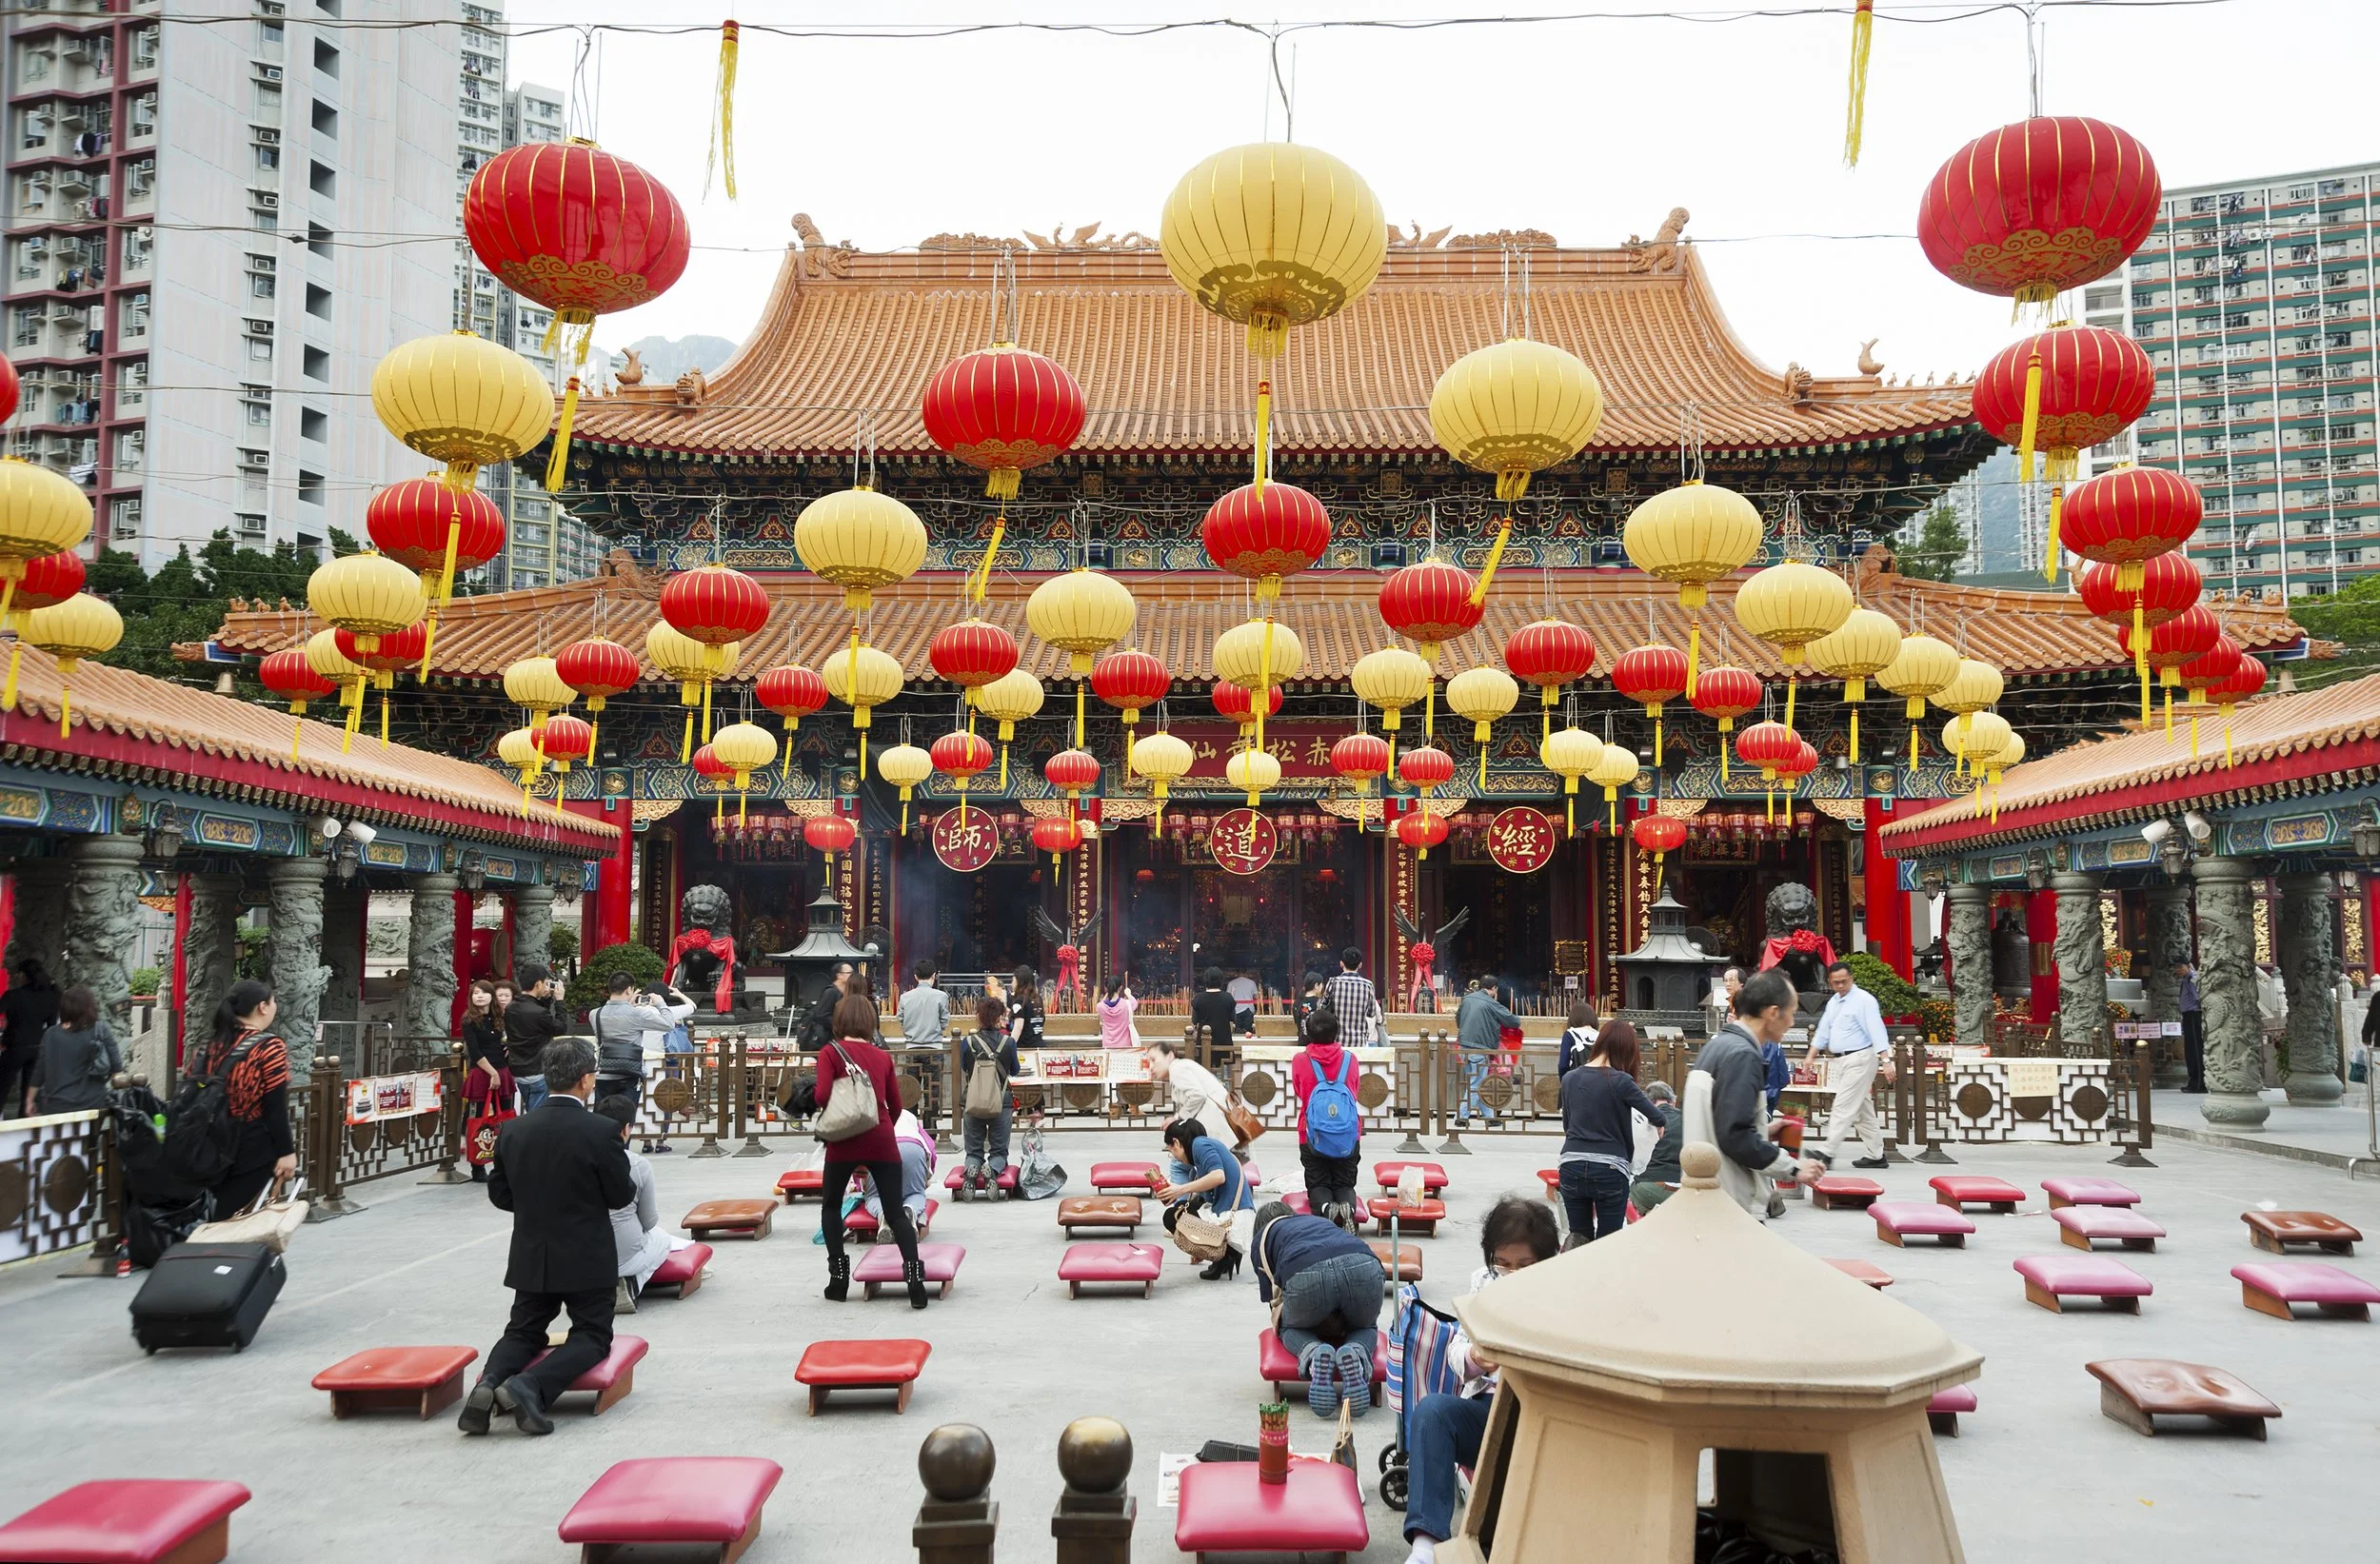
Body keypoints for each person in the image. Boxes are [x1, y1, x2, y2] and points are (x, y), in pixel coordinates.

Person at [459, 1039, 636, 1436]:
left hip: (531, 1250)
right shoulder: (602, 1131)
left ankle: (488, 1384)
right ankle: (529, 1385)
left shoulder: (514, 1130)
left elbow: (500, 1194)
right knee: (592, 1335)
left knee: (523, 1330)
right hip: (586, 1253)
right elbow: (621, 1195)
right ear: (586, 1080)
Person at [1399, 1198, 1559, 1564]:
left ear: (1546, 1260)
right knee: (1432, 1412)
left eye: (1524, 1265)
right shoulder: (1482, 1283)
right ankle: (1426, 1547)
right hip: (1490, 1411)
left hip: (1545, 1417)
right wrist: (1474, 1358)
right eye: (1502, 1264)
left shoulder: (1561, 1291)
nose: (1510, 1273)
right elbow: (1457, 1351)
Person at [815, 994, 930, 1309]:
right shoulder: (882, 1058)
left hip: (842, 1142)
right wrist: (878, 1128)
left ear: (838, 1022)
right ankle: (915, 1280)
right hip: (881, 1138)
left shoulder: (830, 1053)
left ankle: (838, 1280)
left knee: (831, 1206)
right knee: (895, 1212)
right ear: (870, 1022)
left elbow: (822, 1095)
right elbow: (895, 1106)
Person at [1695, 970, 1822, 1218]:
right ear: (1773, 1013)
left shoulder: (1719, 1045)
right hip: (1732, 1195)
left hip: (1710, 1186)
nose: (1793, 1022)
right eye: (1792, 1013)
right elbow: (1735, 1136)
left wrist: (1764, 1128)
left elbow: (1720, 1120)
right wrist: (1794, 1168)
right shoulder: (1743, 1055)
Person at [1251, 1201, 1385, 1416]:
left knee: (1287, 1328)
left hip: (1305, 1270)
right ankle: (1356, 1354)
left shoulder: (1263, 1239)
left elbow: (1273, 1301)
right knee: (1366, 1326)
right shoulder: (1316, 1220)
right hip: (1364, 1262)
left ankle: (1314, 1355)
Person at [186, 980, 296, 1218]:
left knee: (214, 1215)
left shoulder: (209, 1046)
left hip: (204, 1146)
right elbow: (274, 1107)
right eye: (273, 1001)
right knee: (238, 1221)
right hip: (249, 1149)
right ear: (263, 1007)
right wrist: (287, 1152)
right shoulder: (269, 1047)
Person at [1555, 1019, 1662, 1245]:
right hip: (1610, 1168)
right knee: (1608, 1244)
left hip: (1571, 1163)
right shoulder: (1621, 1081)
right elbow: (1658, 1116)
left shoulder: (1569, 1079)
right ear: (1627, 1050)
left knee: (1579, 1239)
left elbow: (1568, 1126)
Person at [1805, 960, 1893, 1171]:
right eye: (1836, 982)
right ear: (1830, 982)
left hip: (1861, 1058)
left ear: (1852, 979)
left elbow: (1876, 1029)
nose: (1840, 985)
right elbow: (1823, 1030)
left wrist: (1886, 1060)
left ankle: (1827, 1151)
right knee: (1862, 1109)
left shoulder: (1864, 1000)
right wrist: (1810, 1056)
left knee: (1843, 1105)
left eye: (1844, 981)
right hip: (1842, 1060)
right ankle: (1876, 1154)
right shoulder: (1834, 1002)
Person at [590, 1093, 667, 1310]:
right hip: (623, 1255)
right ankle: (631, 1283)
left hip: (581, 1253)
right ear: (626, 1129)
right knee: (662, 1239)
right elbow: (649, 1221)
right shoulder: (636, 1164)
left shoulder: (577, 1158)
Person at [1157, 1116, 1253, 1279]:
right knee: (1186, 1209)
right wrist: (1200, 1243)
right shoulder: (1201, 1149)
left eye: (1171, 1150)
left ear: (1177, 1143)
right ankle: (1226, 1255)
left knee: (1172, 1217)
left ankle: (1225, 1255)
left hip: (1234, 1218)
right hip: (1234, 1212)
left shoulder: (1200, 1144)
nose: (1174, 1157)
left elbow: (1218, 1176)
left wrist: (1180, 1190)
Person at [1291, 1009, 1362, 1227]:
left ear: (1309, 1033)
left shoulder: (1300, 1060)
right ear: (1336, 1032)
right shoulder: (1351, 1060)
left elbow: (1299, 1091)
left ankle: (1325, 1208)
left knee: (1318, 1183)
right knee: (1344, 1183)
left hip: (1312, 1134)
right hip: (1347, 1134)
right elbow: (1354, 1091)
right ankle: (1347, 1209)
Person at [591, 972, 688, 1115]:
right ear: (629, 989)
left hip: (604, 1072)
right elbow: (668, 1024)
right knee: (626, 1118)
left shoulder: (595, 1014)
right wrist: (660, 1003)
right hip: (629, 1072)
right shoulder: (637, 1014)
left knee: (601, 1116)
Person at [957, 995, 1018, 1199]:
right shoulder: (1008, 1043)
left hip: (973, 1102)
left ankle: (972, 1169)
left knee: (973, 1150)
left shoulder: (968, 1042)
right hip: (1002, 1102)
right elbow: (1015, 1070)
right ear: (999, 1017)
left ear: (979, 1017)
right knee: (999, 1150)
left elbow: (965, 1068)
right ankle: (991, 1170)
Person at [1145, 1035, 1236, 1168]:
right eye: (1149, 1063)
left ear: (1169, 1056)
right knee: (1181, 1165)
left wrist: (1177, 1118)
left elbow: (1198, 1095)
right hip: (1217, 1126)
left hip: (1215, 1126)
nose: (1151, 1067)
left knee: (1179, 1166)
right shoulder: (1181, 1066)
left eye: (1153, 1060)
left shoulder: (1177, 1068)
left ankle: (1179, 1189)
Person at [34, 982, 120, 1114]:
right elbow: (117, 1068)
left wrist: (29, 1100)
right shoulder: (101, 1030)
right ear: (90, 1006)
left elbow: (39, 1071)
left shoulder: (50, 1034)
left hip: (56, 1106)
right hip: (94, 1106)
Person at [1454, 976, 1522, 1123]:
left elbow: (1458, 1019)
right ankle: (1461, 1117)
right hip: (1480, 1049)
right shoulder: (1491, 1003)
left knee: (1477, 1082)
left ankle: (1489, 1117)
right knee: (1477, 1083)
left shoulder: (1467, 999)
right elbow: (1514, 1021)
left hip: (1463, 1047)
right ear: (1494, 988)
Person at [1, 957, 58, 1116]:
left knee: (2, 1086)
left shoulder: (13, 995)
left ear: (23, 975)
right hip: (37, 1048)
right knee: (28, 1093)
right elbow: (51, 1025)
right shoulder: (51, 996)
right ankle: (23, 1122)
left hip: (15, 1046)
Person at [505, 969, 565, 1115]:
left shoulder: (510, 1008)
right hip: (538, 1069)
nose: (546, 986)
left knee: (531, 1110)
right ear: (538, 984)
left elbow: (536, 1020)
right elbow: (560, 1028)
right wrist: (560, 1002)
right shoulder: (539, 1012)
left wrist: (546, 999)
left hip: (518, 1069)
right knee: (537, 1115)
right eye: (545, 983)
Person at [460, 980, 511, 1152]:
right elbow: (474, 1052)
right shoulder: (469, 1020)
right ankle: (476, 1159)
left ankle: (504, 1150)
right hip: (482, 1071)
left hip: (502, 1070)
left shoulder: (499, 1017)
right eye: (475, 993)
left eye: (483, 992)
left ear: (491, 996)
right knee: (477, 1115)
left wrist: (510, 1047)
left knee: (505, 1113)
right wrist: (492, 1073)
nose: (479, 996)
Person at [1630, 1079, 1685, 1212]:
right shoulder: (1689, 1119)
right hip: (1686, 1190)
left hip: (1650, 1188)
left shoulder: (1640, 1120)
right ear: (1674, 1101)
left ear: (1646, 1103)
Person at [1328, 948, 1383, 1049]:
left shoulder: (1333, 982)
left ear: (1341, 964)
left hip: (1337, 1043)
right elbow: (1371, 1013)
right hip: (1360, 1043)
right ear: (1360, 965)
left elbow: (1323, 1009)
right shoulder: (1368, 985)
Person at [898, 961, 947, 1046]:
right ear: (934, 975)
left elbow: (900, 1019)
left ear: (916, 977)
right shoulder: (941, 996)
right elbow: (944, 1022)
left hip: (911, 1046)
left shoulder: (904, 997)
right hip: (934, 1047)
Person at [1190, 967, 1238, 1054]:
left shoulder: (1198, 998)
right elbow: (1233, 1019)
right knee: (1224, 1066)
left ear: (1205, 980)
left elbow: (1194, 1020)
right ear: (1221, 980)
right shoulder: (1228, 998)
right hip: (1224, 1044)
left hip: (1204, 1044)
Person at [2178, 960, 2206, 1094]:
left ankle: (2199, 1083)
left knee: (2195, 1049)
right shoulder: (2185, 979)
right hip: (2188, 1015)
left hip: (2194, 1014)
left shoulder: (2192, 979)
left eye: (2180, 967)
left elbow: (2198, 997)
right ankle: (2193, 1081)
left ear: (2188, 966)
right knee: (2190, 1050)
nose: (2178, 970)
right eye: (2176, 967)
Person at [1006, 965, 1046, 1050]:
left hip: (1025, 1048)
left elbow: (1018, 1027)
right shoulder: (1038, 999)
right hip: (1040, 1045)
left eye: (1013, 980)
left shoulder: (1020, 1001)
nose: (1012, 984)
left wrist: (1009, 1048)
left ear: (1019, 982)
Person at [1096, 974, 1140, 1049]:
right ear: (1120, 988)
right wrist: (1128, 994)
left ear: (1106, 988)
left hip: (1108, 1047)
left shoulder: (1101, 1007)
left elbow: (1100, 1004)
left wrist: (1107, 994)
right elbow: (1135, 1003)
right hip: (1125, 1047)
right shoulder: (1126, 1004)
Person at [1557, 1001, 1599, 1073]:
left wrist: (1565, 1081)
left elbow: (1563, 1065)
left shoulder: (1570, 1035)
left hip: (1576, 1081)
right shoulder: (1600, 1035)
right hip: (1599, 1081)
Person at [1227, 968, 1259, 1034]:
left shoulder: (1231, 983)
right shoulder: (1251, 983)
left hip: (1236, 1010)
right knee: (1248, 1031)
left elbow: (1228, 997)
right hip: (1248, 1009)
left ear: (1237, 974)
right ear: (1246, 973)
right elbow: (1256, 997)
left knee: (1237, 1031)